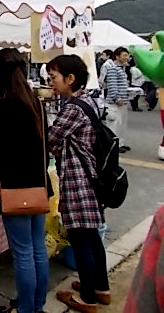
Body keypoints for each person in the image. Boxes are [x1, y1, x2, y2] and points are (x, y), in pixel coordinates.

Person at [0, 48, 51, 313]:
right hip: (40, 184)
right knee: (37, 248)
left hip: (17, 187)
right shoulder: (35, 101)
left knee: (22, 253)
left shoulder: (7, 104)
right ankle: (36, 305)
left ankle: (27, 309)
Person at [46, 55, 110, 313]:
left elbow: (51, 139)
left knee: (81, 237)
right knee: (92, 236)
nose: (51, 83)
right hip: (91, 177)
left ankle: (87, 299)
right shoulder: (89, 101)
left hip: (77, 181)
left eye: (53, 78)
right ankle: (100, 288)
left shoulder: (72, 108)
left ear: (70, 79)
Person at [105, 47, 131, 152]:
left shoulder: (122, 69)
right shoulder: (113, 69)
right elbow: (112, 85)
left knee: (122, 124)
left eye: (127, 55)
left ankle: (120, 143)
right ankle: (113, 145)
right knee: (114, 125)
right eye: (124, 55)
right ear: (117, 56)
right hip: (115, 103)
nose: (127, 58)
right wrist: (117, 98)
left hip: (123, 101)